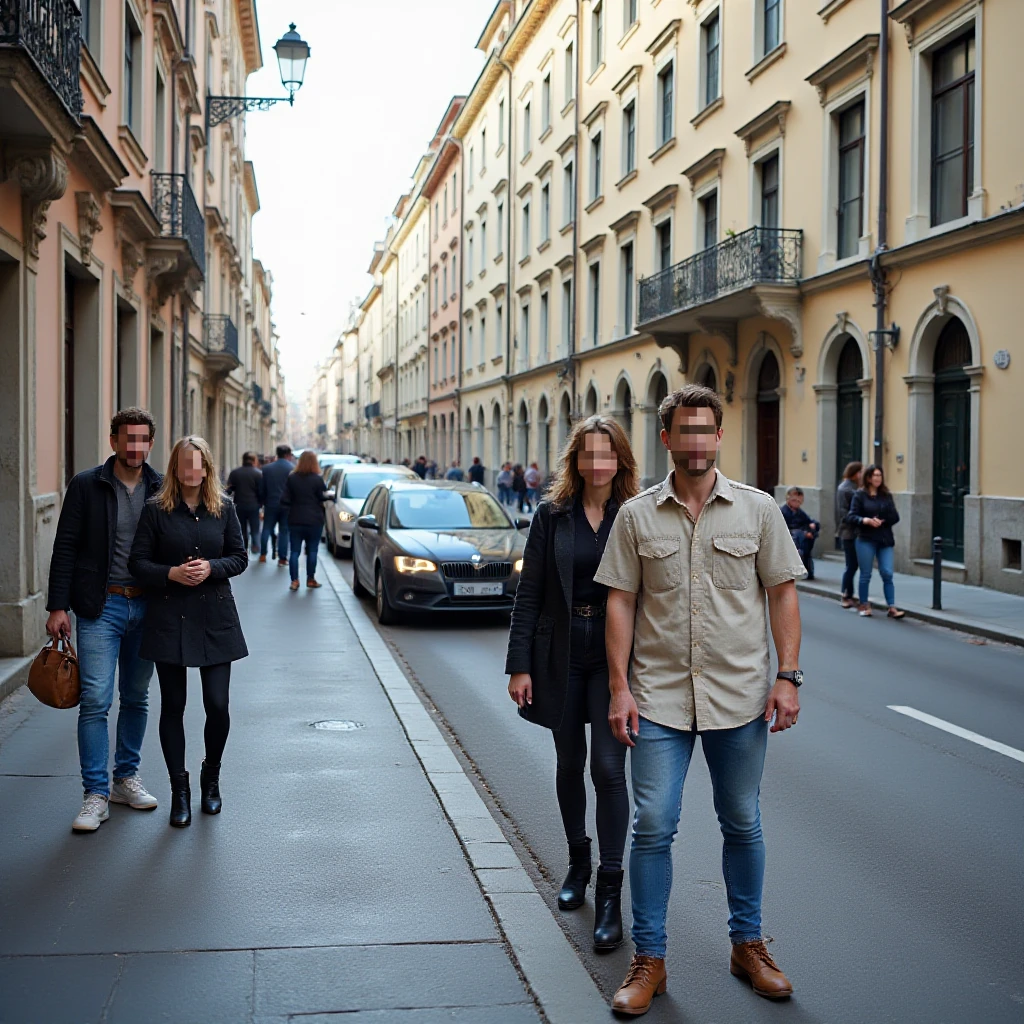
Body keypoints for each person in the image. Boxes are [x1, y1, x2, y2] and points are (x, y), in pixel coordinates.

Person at [595, 384, 808, 1015]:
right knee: (653, 825)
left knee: (742, 822)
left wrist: (787, 676)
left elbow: (782, 592)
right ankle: (650, 961)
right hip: (657, 697)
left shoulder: (758, 510)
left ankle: (749, 946)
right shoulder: (635, 515)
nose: (694, 441)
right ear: (667, 438)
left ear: (719, 437)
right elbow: (620, 601)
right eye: (682, 430)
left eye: (703, 430)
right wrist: (618, 688)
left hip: (739, 698)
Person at [506, 417, 638, 952]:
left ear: (619, 460)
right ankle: (576, 864)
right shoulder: (551, 515)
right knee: (568, 764)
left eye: (606, 454)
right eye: (588, 454)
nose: (597, 464)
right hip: (560, 652)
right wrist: (520, 665)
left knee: (608, 769)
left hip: (613, 656)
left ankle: (610, 892)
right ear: (576, 460)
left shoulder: (635, 515)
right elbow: (529, 592)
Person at [46, 408, 163, 832]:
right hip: (101, 607)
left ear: (151, 443)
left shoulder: (160, 487)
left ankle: (124, 780)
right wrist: (58, 606)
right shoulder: (87, 485)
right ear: (113, 440)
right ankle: (94, 794)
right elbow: (65, 547)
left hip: (147, 606)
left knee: (136, 696)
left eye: (143, 439)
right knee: (96, 700)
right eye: (128, 438)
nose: (135, 447)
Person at [129, 436, 248, 827]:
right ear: (176, 469)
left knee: (217, 705)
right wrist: (171, 574)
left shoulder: (224, 508)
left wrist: (213, 568)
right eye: (185, 464)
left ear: (207, 468)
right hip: (170, 617)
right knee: (173, 706)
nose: (192, 471)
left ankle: (210, 778)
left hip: (215, 618)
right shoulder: (156, 511)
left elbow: (239, 557)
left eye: (199, 464)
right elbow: (138, 563)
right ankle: (179, 791)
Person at [847, 464, 905, 619]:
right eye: (875, 475)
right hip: (866, 539)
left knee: (887, 572)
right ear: (868, 478)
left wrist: (882, 520)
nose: (878, 478)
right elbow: (851, 516)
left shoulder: (886, 495)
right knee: (866, 574)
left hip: (884, 539)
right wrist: (865, 520)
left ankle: (892, 607)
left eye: (880, 475)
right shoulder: (860, 495)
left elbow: (896, 517)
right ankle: (864, 604)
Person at [280, 450, 329, 591]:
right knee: (312, 550)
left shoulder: (292, 478)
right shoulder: (317, 479)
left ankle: (294, 581)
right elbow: (322, 496)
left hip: (295, 519)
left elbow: (284, 499)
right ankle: (310, 579)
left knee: (294, 551)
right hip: (314, 520)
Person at [260, 445, 295, 567]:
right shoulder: (292, 468)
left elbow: (262, 488)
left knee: (266, 528)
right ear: (287, 455)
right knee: (284, 531)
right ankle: (282, 558)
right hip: (287, 505)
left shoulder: (266, 469)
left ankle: (263, 555)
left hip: (270, 503)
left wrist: (263, 501)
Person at [835, 462, 863, 608]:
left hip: (851, 531)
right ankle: (845, 594)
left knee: (853, 565)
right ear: (856, 473)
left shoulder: (851, 487)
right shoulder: (847, 489)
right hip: (848, 531)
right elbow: (844, 513)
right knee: (851, 565)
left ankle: (849, 594)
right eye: (861, 472)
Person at [226, 453, 263, 556]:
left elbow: (230, 488)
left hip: (239, 504)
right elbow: (261, 491)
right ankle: (255, 545)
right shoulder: (258, 474)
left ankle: (244, 547)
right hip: (253, 505)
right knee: (255, 527)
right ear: (254, 460)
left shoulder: (235, 473)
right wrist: (261, 504)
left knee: (241, 528)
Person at [780, 486, 820, 580]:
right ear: (788, 499)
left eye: (799, 501)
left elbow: (808, 521)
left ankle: (808, 571)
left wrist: (812, 525)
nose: (797, 503)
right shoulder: (783, 511)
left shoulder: (800, 512)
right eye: (794, 500)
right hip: (793, 540)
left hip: (803, 540)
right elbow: (784, 528)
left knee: (806, 551)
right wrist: (803, 533)